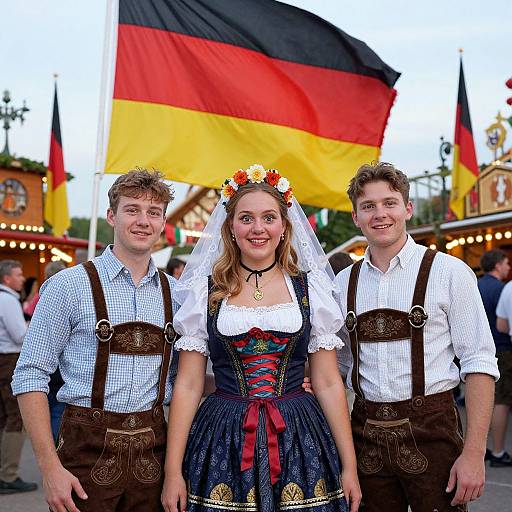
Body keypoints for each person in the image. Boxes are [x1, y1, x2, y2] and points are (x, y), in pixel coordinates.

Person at [162, 164, 361, 512]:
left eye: (269, 218)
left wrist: (349, 466)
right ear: (231, 228)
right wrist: (172, 471)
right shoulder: (205, 291)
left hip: (300, 433)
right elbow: (189, 385)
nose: (258, 228)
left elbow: (329, 383)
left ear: (284, 227)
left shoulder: (309, 288)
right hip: (223, 434)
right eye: (246, 218)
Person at [335, 162, 499, 512]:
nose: (380, 214)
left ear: (407, 208)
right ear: (355, 217)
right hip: (365, 436)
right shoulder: (341, 284)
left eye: (389, 203)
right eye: (368, 206)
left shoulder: (450, 272)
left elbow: (480, 363)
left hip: (435, 433)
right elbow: (335, 368)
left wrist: (473, 454)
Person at [12, 169, 179, 512]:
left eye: (153, 212)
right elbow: (29, 375)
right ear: (111, 216)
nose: (143, 221)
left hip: (153, 458)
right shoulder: (68, 286)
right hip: (84, 454)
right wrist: (49, 468)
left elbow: (186, 380)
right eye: (132, 210)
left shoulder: (177, 294)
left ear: (163, 222)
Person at [0, 260, 37, 494]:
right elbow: (19, 335)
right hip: (9, 360)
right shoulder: (8, 300)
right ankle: (8, 474)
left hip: (2, 358)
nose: (23, 278)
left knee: (3, 417)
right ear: (7, 279)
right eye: (19, 274)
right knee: (15, 417)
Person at [488, 250, 512, 467]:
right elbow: (501, 327)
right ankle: (497, 451)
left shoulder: (477, 284)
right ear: (497, 265)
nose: (508, 267)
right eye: (506, 263)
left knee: (489, 399)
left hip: (484, 351)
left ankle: (491, 448)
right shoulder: (503, 288)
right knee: (502, 401)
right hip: (503, 349)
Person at [43, 261, 68, 443]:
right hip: (59, 366)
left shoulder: (39, 297)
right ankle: (56, 446)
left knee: (50, 406)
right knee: (58, 411)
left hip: (51, 365)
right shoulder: (64, 295)